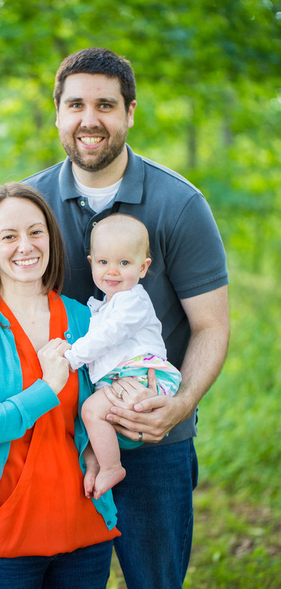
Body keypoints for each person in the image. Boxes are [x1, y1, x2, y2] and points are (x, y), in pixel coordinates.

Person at [23, 47, 230, 589]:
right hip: (58, 434)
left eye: (106, 105)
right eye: (75, 105)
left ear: (130, 112)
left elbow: (211, 324)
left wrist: (180, 403)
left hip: (154, 432)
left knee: (155, 580)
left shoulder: (178, 204)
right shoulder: (30, 205)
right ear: (58, 112)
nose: (89, 120)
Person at [0, 182, 120, 589]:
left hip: (84, 531)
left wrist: (101, 447)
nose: (26, 245)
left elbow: (109, 408)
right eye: (9, 236)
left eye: (36, 232)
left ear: (51, 239)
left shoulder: (84, 320)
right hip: (3, 538)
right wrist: (47, 388)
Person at [64, 214, 182, 500]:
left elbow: (109, 336)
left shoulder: (132, 302)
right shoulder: (106, 305)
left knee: (91, 411)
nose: (112, 271)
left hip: (142, 376)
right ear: (92, 262)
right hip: (127, 377)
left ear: (143, 268)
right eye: (104, 262)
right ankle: (99, 461)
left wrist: (72, 356)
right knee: (96, 415)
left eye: (124, 263)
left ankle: (111, 467)